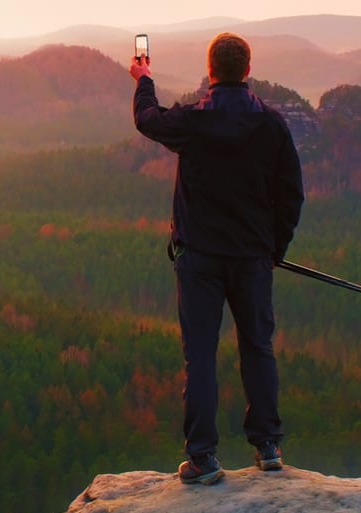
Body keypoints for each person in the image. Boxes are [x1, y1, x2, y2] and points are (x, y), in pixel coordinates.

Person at [131, 33, 305, 484]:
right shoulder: (271, 125)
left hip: (200, 258)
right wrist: (275, 249)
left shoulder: (194, 121)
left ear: (211, 71)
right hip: (251, 258)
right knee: (257, 348)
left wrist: (143, 78)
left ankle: (204, 458)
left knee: (201, 357)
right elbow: (291, 196)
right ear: (247, 70)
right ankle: (267, 447)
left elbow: (148, 120)